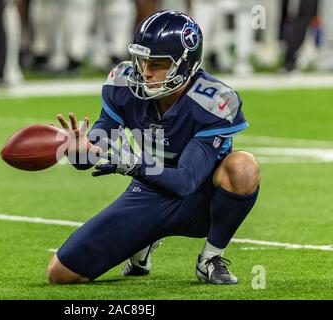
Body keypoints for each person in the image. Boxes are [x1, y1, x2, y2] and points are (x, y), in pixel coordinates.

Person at [47, 10, 260, 285]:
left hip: (201, 198)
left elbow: (186, 181)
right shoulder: (124, 84)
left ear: (186, 65)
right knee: (61, 274)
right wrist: (78, 150)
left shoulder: (214, 101)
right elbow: (96, 150)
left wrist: (134, 164)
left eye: (157, 64)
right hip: (149, 192)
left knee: (243, 167)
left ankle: (210, 257)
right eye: (141, 60)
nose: (145, 72)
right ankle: (145, 241)